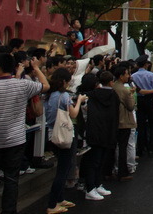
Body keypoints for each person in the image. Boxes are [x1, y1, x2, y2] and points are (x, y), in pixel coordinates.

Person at [0, 53, 49, 214]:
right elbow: (45, 85)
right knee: (11, 179)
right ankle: (9, 211)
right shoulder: (22, 85)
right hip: (16, 139)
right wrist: (36, 68)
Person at [44, 68, 86, 214]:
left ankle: (60, 199)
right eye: (68, 81)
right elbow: (73, 113)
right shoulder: (63, 96)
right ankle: (52, 205)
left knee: (63, 166)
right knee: (63, 170)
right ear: (63, 81)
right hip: (64, 134)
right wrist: (79, 101)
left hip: (52, 133)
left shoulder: (50, 95)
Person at [81, 71, 119, 201]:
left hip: (94, 132)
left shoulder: (89, 96)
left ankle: (94, 185)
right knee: (98, 160)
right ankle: (92, 187)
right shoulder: (113, 95)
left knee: (95, 161)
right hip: (107, 132)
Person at [131, 55, 153, 157]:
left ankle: (141, 148)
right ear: (146, 64)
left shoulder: (133, 76)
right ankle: (152, 148)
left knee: (141, 125)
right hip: (150, 100)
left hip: (139, 100)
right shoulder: (151, 75)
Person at [112, 65, 136, 180]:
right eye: (127, 74)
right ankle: (123, 172)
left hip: (114, 120)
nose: (128, 76)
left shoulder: (114, 87)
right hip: (124, 121)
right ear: (121, 76)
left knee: (116, 146)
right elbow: (131, 106)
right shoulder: (124, 90)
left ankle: (113, 170)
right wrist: (131, 94)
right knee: (123, 147)